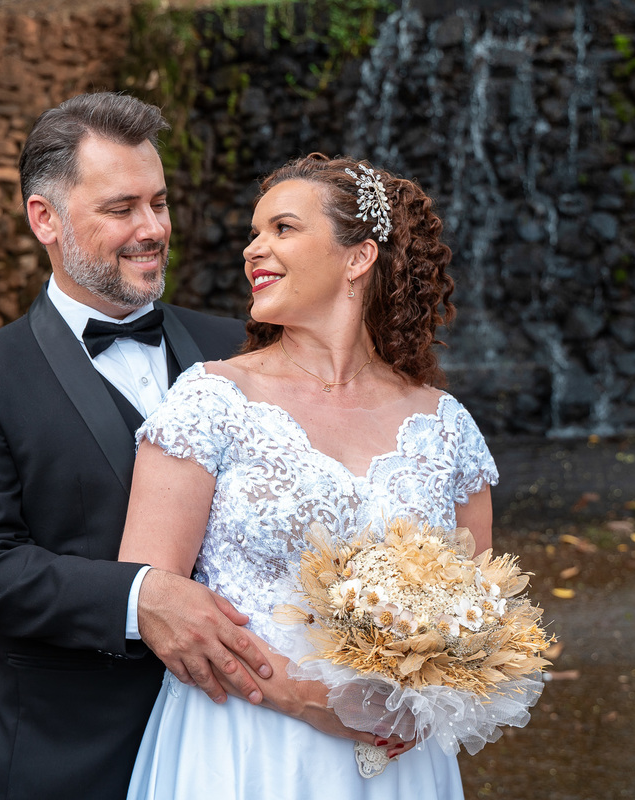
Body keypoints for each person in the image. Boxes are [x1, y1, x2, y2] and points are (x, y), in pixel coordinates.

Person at [0, 92, 275, 800]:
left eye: (161, 202)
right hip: (69, 751)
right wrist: (138, 597)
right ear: (44, 219)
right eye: (122, 209)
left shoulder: (239, 346)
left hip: (241, 741)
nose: (153, 229)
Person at [119, 153, 499, 799]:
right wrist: (305, 699)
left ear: (358, 258)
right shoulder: (211, 400)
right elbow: (156, 603)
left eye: (283, 229)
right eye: (253, 233)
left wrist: (431, 690)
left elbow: (479, 615)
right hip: (244, 746)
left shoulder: (445, 426)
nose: (253, 249)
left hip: (401, 759)